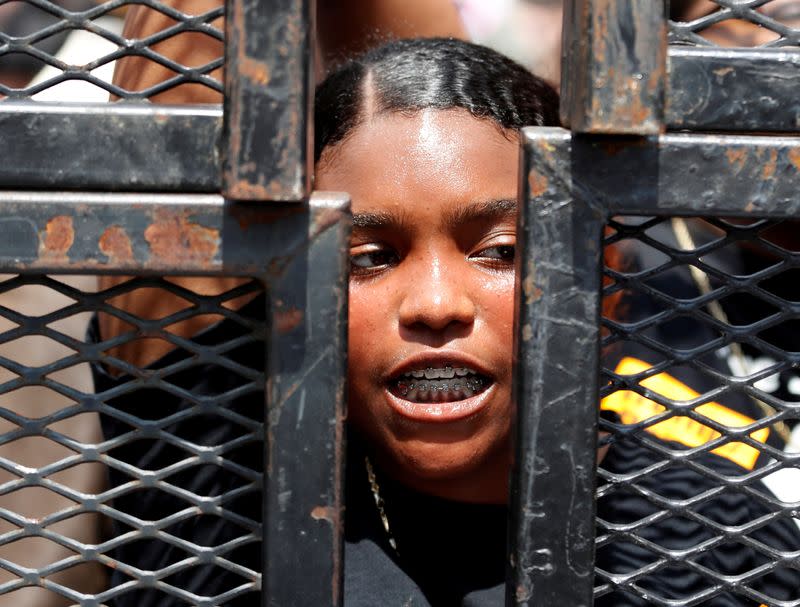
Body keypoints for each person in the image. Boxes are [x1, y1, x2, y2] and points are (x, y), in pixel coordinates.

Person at [93, 36, 800, 606]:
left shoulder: (715, 532)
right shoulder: (219, 500)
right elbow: (173, 95)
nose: (435, 303)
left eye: (499, 251)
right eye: (370, 257)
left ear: (607, 290)